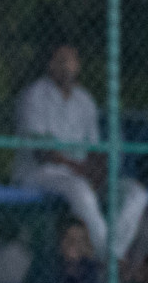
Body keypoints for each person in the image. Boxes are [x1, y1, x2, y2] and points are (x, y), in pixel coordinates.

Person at [17, 44, 147, 263]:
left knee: (137, 193)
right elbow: (41, 152)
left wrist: (98, 171)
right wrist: (80, 169)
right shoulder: (35, 95)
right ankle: (110, 259)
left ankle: (112, 252)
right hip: (41, 174)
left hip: (79, 174)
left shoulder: (85, 101)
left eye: (72, 61)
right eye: (62, 60)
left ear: (78, 66)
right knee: (80, 189)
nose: (68, 66)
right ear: (51, 65)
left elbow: (95, 150)